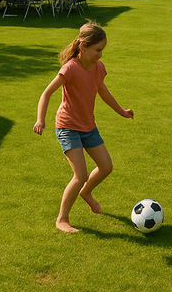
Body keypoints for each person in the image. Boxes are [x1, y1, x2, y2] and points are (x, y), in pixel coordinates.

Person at [34, 22, 134, 233]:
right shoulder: (70, 68)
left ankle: (86, 193)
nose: (100, 55)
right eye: (98, 50)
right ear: (83, 47)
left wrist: (122, 111)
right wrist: (40, 120)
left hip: (88, 127)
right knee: (80, 174)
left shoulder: (98, 68)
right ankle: (62, 219)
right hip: (68, 127)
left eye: (102, 50)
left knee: (106, 166)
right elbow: (46, 93)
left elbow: (103, 92)